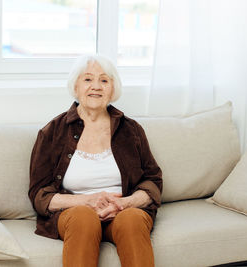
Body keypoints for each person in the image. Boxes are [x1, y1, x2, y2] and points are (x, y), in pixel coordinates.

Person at [28, 54, 163, 267]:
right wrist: (86, 201)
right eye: (88, 79)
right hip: (74, 213)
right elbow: (39, 194)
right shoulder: (52, 132)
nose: (96, 87)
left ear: (112, 88)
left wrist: (124, 203)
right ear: (76, 86)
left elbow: (153, 181)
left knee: (132, 219)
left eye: (104, 80)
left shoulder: (131, 130)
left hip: (122, 211)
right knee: (83, 217)